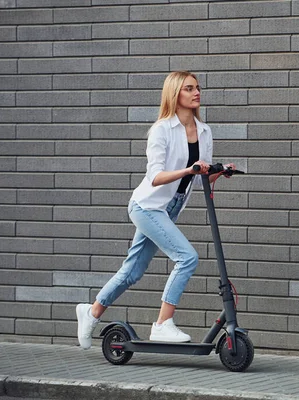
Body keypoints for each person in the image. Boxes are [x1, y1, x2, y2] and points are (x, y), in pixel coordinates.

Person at [75, 71, 235, 349]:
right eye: (189, 89)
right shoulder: (162, 129)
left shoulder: (205, 131)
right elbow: (155, 177)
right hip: (147, 206)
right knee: (187, 258)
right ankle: (162, 324)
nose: (196, 93)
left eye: (197, 88)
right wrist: (189, 169)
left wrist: (220, 172)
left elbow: (202, 175)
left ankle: (90, 312)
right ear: (175, 94)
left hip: (170, 209)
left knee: (133, 271)